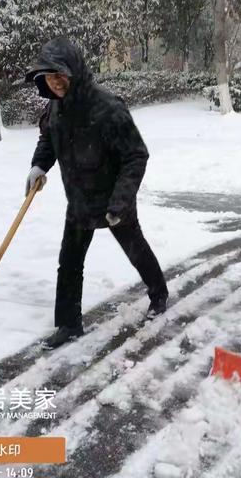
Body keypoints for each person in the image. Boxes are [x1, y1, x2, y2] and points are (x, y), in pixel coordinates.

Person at [24, 37, 168, 348]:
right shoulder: (56, 107)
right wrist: (39, 167)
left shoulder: (107, 107)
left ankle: (159, 294)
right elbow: (49, 140)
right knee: (70, 262)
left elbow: (136, 155)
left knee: (135, 249)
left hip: (114, 198)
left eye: (60, 75)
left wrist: (120, 202)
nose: (56, 83)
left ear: (74, 72)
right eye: (49, 77)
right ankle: (68, 324)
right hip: (78, 199)